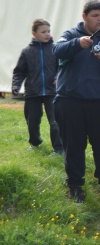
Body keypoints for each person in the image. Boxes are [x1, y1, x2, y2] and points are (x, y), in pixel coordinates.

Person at [53, 0, 100, 205]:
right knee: (73, 146)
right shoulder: (70, 35)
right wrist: (78, 44)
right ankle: (75, 187)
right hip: (70, 102)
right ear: (84, 16)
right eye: (95, 15)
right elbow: (56, 50)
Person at [11, 18, 63, 155]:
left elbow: (61, 68)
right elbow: (19, 71)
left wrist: (58, 77)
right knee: (32, 121)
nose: (47, 34)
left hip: (52, 92)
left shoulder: (55, 49)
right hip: (33, 92)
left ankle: (59, 148)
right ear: (34, 33)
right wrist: (16, 85)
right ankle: (35, 142)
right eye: (43, 31)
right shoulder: (26, 51)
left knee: (55, 122)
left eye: (48, 31)